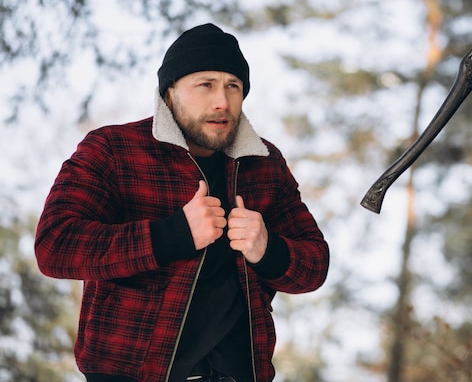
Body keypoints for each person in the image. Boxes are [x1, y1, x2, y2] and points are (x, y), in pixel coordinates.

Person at [34, 23, 330, 382]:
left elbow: (314, 265)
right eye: (205, 84)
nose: (222, 100)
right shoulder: (114, 148)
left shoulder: (264, 163)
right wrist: (172, 235)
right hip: (131, 374)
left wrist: (268, 250)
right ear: (170, 92)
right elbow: (56, 246)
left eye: (233, 86)